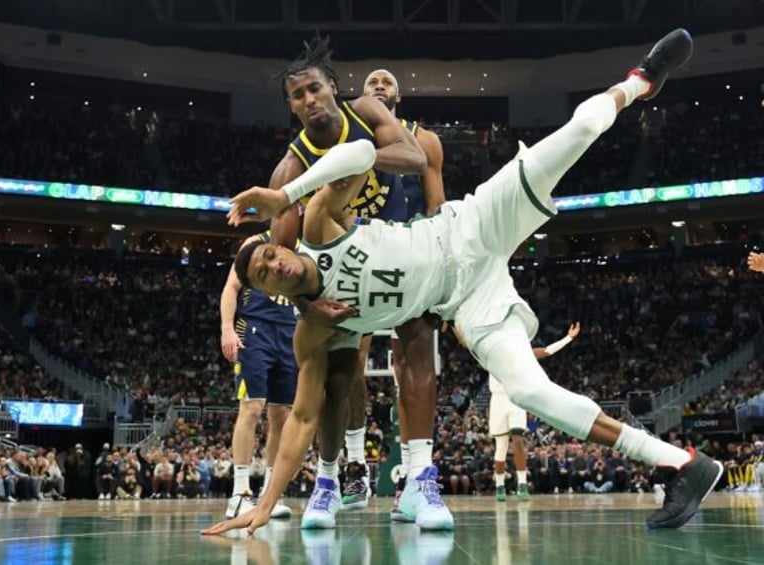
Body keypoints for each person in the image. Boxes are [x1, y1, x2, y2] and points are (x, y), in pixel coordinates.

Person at [204, 28, 723, 536]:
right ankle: (682, 463)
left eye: (270, 254)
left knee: (576, 134)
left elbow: (362, 157)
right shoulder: (315, 329)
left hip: (470, 226)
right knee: (528, 390)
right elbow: (299, 419)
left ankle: (639, 80)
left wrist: (287, 193)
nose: (275, 263)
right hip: (464, 298)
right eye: (264, 270)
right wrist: (265, 502)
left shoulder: (319, 220)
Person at [261, 35, 449, 529]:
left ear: (333, 88)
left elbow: (411, 159)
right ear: (291, 107)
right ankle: (332, 478)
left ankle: (419, 480)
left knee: (418, 342)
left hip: (396, 249)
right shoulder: (291, 165)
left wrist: (348, 159)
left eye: (315, 90)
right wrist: (306, 307)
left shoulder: (366, 112)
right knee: (341, 370)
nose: (309, 101)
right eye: (297, 96)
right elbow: (278, 258)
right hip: (342, 270)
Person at [340, 68, 446, 520]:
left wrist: (441, 264)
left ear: (398, 95)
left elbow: (436, 204)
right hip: (360, 255)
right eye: (371, 83)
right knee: (349, 367)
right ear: (362, 98)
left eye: (386, 82)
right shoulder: (348, 140)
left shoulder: (427, 141)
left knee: (413, 361)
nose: (379, 85)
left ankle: (416, 478)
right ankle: (354, 465)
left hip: (410, 254)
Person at [219, 231, 296, 519]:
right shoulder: (256, 242)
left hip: (291, 331)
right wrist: (227, 327)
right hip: (255, 328)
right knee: (252, 407)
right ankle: (239, 494)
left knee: (282, 415)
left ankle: (269, 495)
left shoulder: (309, 241)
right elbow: (231, 287)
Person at [489, 322, 581, 501]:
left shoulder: (522, 354)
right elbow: (467, 344)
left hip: (515, 399)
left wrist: (569, 338)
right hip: (498, 401)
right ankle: (499, 485)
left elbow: (547, 351)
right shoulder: (489, 353)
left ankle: (522, 484)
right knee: (500, 448)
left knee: (518, 440)